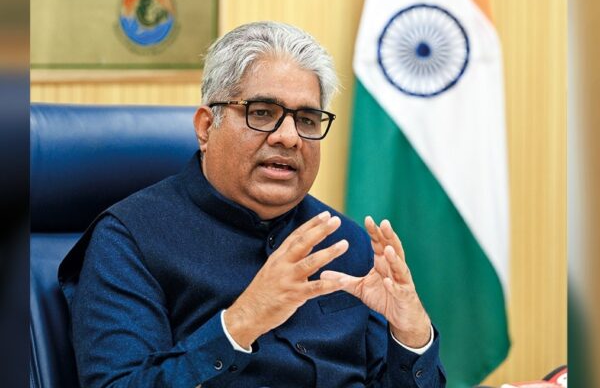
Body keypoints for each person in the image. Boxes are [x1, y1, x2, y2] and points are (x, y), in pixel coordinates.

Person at [59, 21, 446, 388]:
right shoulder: (129, 240)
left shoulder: (346, 242)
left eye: (307, 120)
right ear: (206, 127)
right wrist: (241, 323)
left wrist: (411, 336)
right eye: (262, 113)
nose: (289, 137)